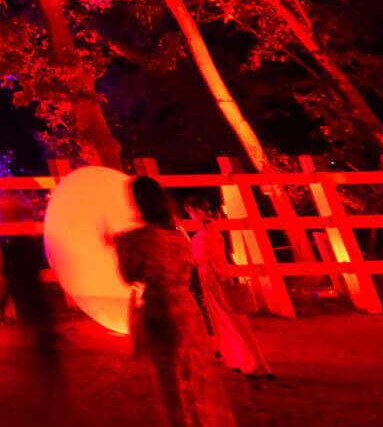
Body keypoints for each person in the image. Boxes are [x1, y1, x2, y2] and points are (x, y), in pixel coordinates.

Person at [115, 177, 237, 426]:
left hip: (160, 310)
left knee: (170, 378)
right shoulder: (179, 237)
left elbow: (129, 275)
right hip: (187, 309)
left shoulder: (135, 238)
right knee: (198, 375)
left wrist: (119, 247)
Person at [0, 191, 61, 423]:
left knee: (36, 365)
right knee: (45, 362)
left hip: (30, 309)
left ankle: (43, 409)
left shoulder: (16, 246)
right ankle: (52, 407)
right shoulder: (31, 242)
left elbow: (5, 283)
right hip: (39, 308)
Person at [184, 198, 271, 379]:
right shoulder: (207, 230)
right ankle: (237, 359)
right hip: (209, 277)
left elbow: (199, 257)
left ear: (199, 210)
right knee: (223, 320)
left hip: (215, 277)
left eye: (191, 212)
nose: (190, 216)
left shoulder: (209, 231)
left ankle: (253, 363)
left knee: (231, 320)